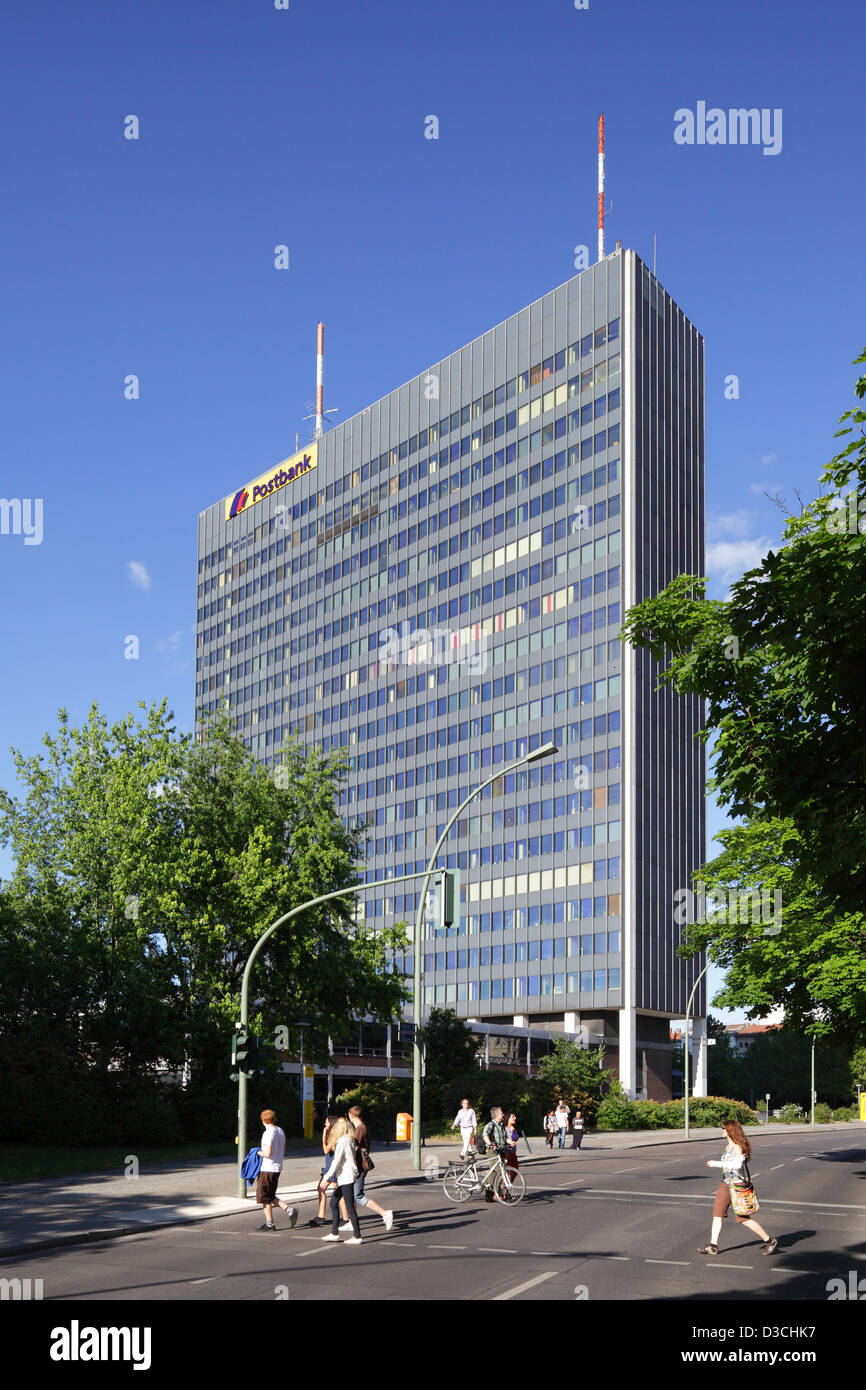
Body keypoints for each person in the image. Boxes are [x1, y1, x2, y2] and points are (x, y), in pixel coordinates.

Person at [697, 1120, 778, 1256]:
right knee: (717, 1214)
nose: (721, 1130)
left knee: (742, 1219)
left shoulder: (737, 1146)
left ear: (730, 1130)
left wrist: (715, 1163)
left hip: (737, 1186)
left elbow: (737, 1164)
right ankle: (713, 1246)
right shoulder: (729, 1146)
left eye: (723, 1128)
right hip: (725, 1184)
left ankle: (770, 1241)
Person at [338, 1104, 394, 1233]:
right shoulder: (364, 1128)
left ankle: (384, 1213)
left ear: (351, 1115)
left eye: (349, 1116)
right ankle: (352, 1222)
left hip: (358, 1167)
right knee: (352, 1195)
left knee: (358, 1195)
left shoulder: (359, 1129)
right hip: (359, 1166)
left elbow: (354, 1148)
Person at [319, 1116, 363, 1244]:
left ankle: (357, 1236)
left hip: (346, 1177)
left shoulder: (343, 1141)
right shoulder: (349, 1139)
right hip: (346, 1176)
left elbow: (336, 1161)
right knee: (334, 1202)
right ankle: (334, 1233)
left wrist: (325, 1178)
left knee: (349, 1207)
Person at [256, 1109, 298, 1232]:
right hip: (277, 1167)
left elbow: (268, 1153)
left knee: (264, 1197)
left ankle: (270, 1223)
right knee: (269, 1195)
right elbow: (283, 1151)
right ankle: (289, 1210)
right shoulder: (280, 1131)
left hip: (268, 1168)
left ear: (264, 1120)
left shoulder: (268, 1133)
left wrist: (257, 1152)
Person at [307, 1112, 339, 1227]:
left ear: (331, 1124)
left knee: (339, 1192)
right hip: (329, 1167)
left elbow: (326, 1150)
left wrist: (323, 1135)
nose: (324, 1124)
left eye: (326, 1122)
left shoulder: (334, 1136)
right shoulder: (334, 1135)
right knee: (321, 1189)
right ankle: (321, 1216)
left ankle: (347, 1217)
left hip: (333, 1168)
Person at [479, 1106, 509, 1202]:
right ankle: (496, 1193)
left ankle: (489, 1195)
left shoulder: (502, 1125)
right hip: (492, 1150)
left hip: (500, 1150)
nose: (503, 1114)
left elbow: (507, 1137)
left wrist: (511, 1141)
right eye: (501, 1113)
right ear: (496, 1115)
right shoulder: (491, 1124)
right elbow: (485, 1134)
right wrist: (490, 1144)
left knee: (493, 1172)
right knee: (500, 1171)